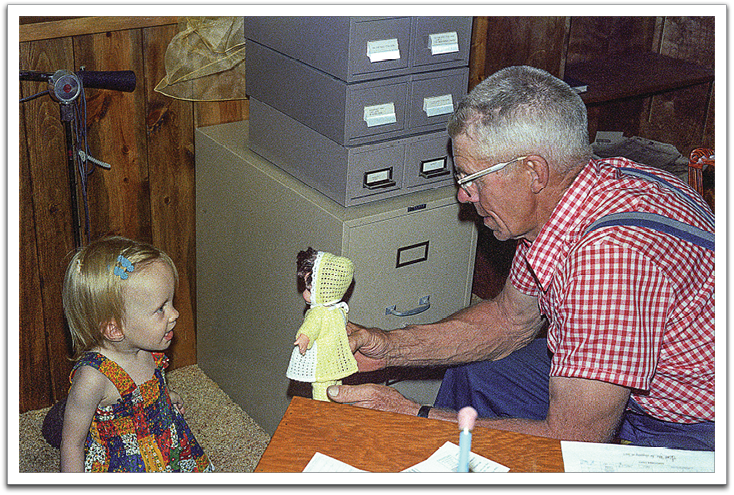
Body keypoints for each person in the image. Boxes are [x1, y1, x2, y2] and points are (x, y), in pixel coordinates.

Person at [326, 65, 715, 451]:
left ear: (534, 172)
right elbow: (509, 321)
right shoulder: (582, 191)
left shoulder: (607, 262)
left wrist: (416, 417)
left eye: (472, 178)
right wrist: (389, 346)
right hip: (645, 369)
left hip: (695, 421)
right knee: (474, 378)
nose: (464, 196)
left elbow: (574, 441)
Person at [60, 236, 214, 472]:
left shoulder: (147, 346)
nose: (175, 314)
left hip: (166, 446)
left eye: (171, 302)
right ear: (115, 329)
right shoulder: (93, 378)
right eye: (161, 309)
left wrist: (163, 398)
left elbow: (143, 392)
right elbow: (72, 444)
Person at [286, 248, 358, 401]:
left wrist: (304, 337)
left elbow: (310, 327)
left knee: (322, 395)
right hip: (335, 361)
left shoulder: (318, 312)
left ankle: (322, 418)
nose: (304, 294)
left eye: (309, 290)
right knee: (336, 388)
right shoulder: (339, 308)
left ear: (324, 291)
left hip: (322, 364)